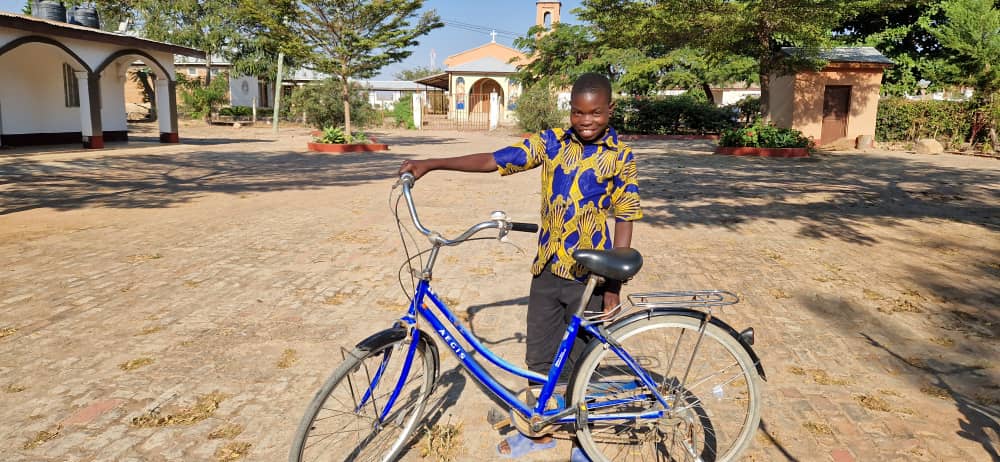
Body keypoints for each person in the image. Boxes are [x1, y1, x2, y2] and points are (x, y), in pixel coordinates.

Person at [398, 73, 642, 461]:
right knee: (540, 360)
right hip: (546, 270)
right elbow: (495, 160)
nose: (586, 120)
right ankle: (540, 432)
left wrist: (614, 285)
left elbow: (625, 217)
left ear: (610, 110)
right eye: (578, 112)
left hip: (590, 278)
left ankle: (583, 443)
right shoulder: (551, 143)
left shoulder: (621, 156)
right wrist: (434, 162)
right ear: (570, 111)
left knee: (579, 365)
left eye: (595, 112)